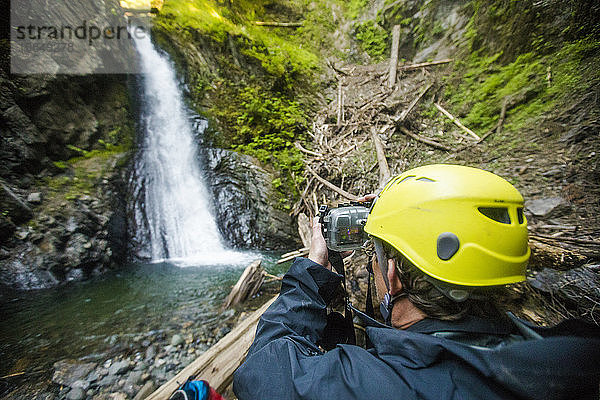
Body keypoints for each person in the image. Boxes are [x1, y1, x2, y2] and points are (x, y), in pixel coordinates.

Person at [233, 164, 600, 400]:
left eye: (376, 255)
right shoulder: (569, 352)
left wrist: (312, 274)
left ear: (393, 275)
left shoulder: (384, 384)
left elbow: (261, 372)